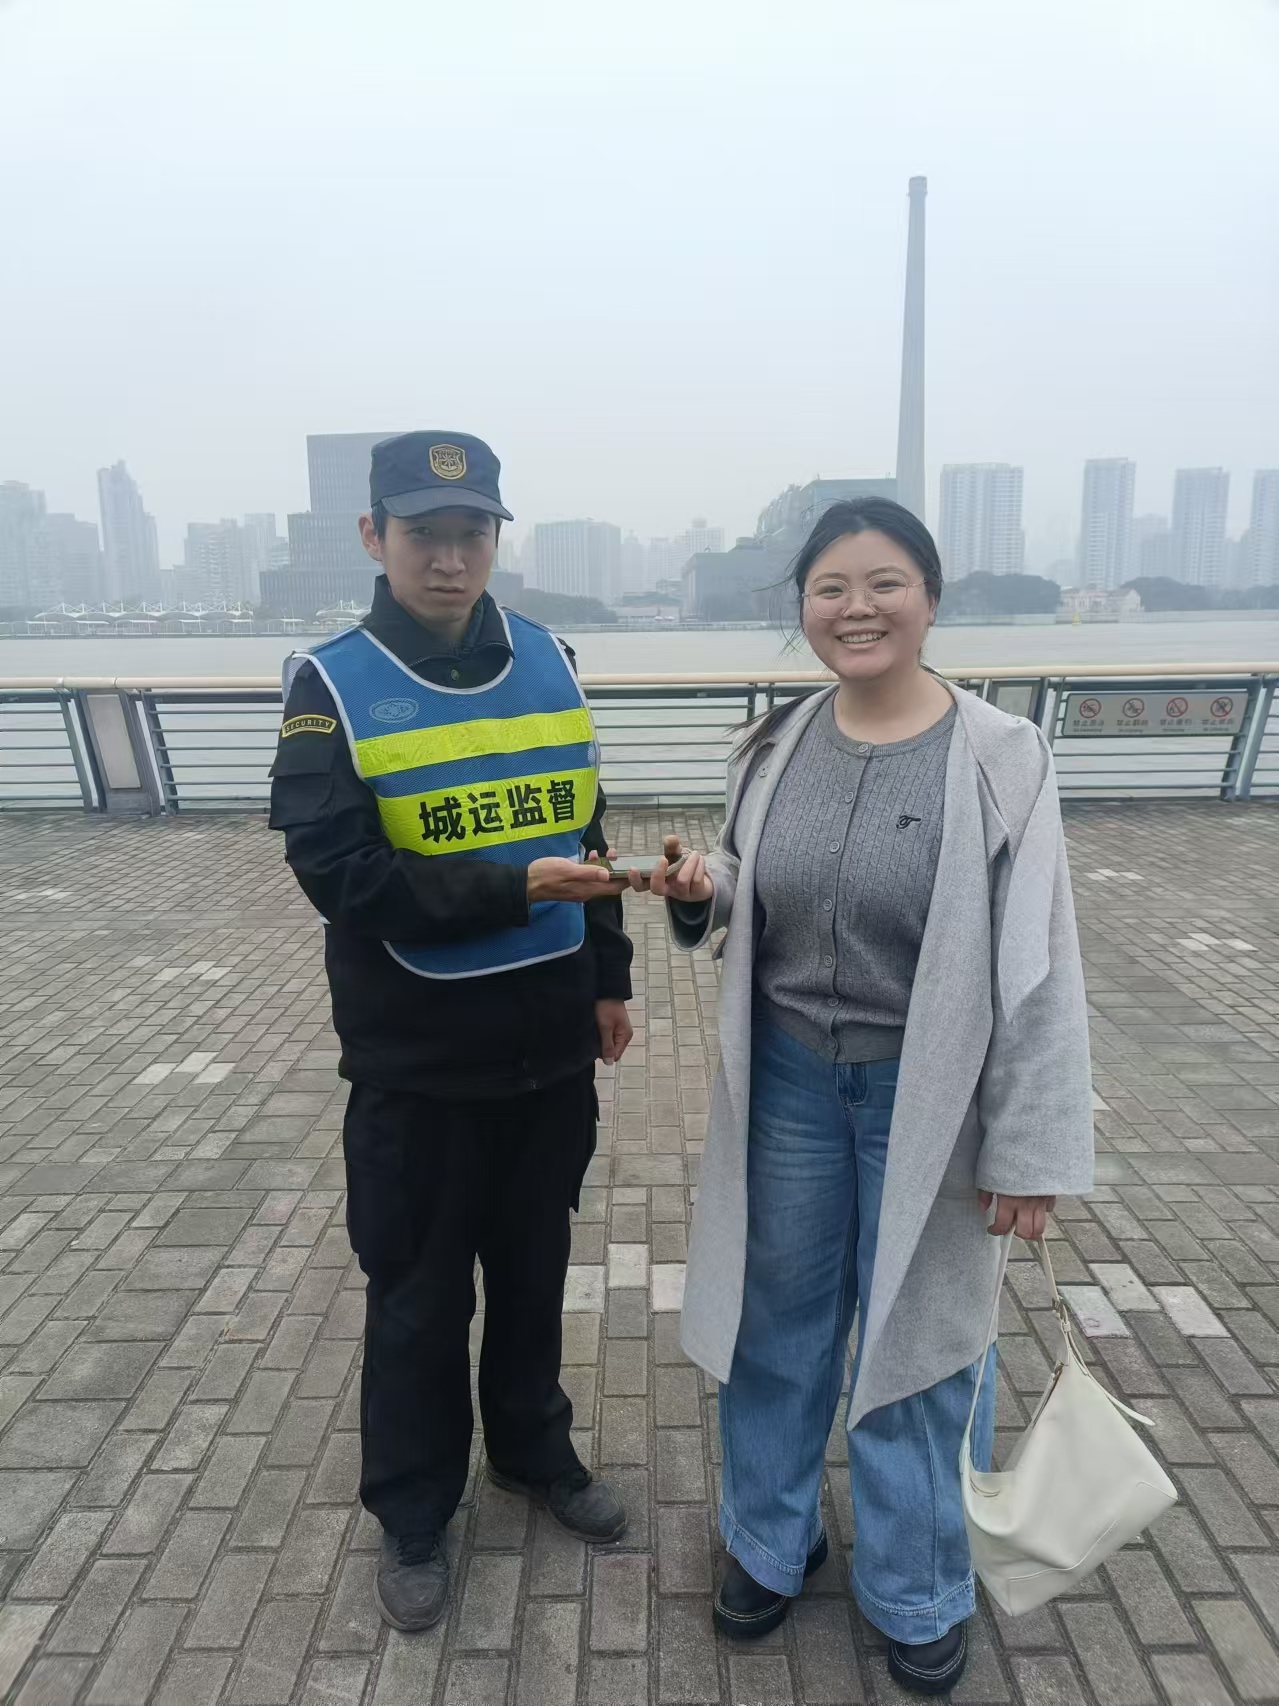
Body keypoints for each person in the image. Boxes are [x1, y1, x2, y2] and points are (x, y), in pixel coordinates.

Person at [643, 498, 1093, 1696]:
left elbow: (1041, 962)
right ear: (803, 606)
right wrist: (703, 886)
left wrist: (1030, 1147)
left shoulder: (1001, 755)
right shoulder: (773, 743)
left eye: (884, 582)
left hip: (930, 1095)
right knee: (775, 1323)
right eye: (830, 587)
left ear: (929, 598)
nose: (856, 607)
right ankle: (766, 1540)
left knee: (924, 1336)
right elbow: (748, 876)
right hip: (790, 1080)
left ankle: (918, 1583)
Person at [268, 431, 633, 1632]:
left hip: (548, 1049)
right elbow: (340, 873)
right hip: (417, 1062)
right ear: (374, 536)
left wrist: (609, 975)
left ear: (494, 539)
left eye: (471, 532)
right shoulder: (332, 685)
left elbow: (585, 829)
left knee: (533, 1275)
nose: (449, 557)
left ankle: (532, 1450)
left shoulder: (551, 660)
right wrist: (509, 889)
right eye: (424, 533)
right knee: (418, 1297)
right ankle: (414, 1509)